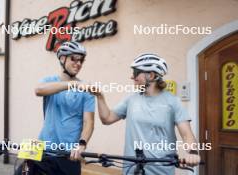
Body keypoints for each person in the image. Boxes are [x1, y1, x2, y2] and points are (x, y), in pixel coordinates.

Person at [92, 53, 201, 175]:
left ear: (151, 75)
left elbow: (186, 134)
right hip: (132, 169)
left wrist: (192, 153)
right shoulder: (131, 99)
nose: (132, 77)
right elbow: (107, 119)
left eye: (135, 72)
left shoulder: (172, 102)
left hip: (161, 171)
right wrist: (100, 97)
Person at [15, 41, 95, 175]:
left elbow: (89, 122)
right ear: (62, 58)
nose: (79, 63)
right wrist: (72, 84)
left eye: (81, 60)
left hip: (68, 155)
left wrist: (81, 144)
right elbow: (38, 90)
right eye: (74, 58)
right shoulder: (49, 81)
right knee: (20, 172)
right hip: (42, 150)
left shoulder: (86, 89)